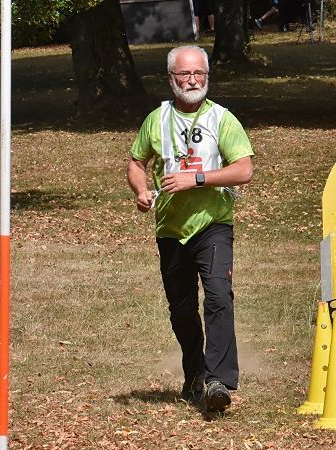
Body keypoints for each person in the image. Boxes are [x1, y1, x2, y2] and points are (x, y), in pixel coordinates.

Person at [126, 45, 254, 413]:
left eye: (200, 73)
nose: (193, 80)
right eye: (185, 74)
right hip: (171, 228)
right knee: (181, 309)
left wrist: (196, 179)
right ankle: (195, 374)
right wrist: (141, 191)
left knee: (217, 297)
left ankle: (219, 380)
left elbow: (244, 169)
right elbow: (136, 162)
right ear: (171, 79)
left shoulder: (222, 119)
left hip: (213, 224)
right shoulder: (157, 119)